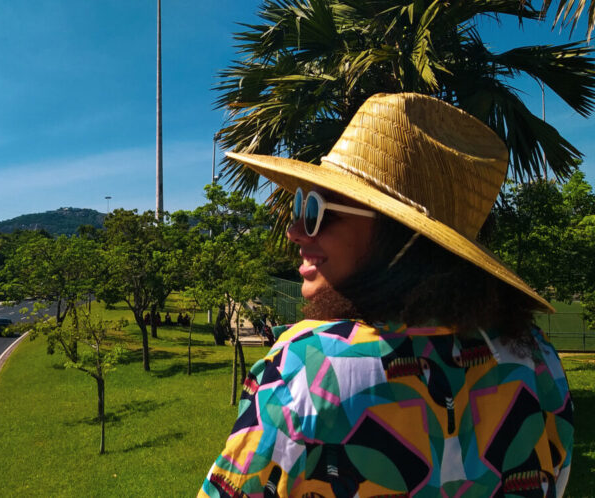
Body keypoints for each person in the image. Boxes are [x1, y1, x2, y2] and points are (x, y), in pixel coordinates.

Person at [200, 93, 573, 497]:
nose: (294, 230)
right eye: (298, 205)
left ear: (403, 238)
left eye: (316, 210)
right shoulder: (537, 359)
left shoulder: (310, 368)